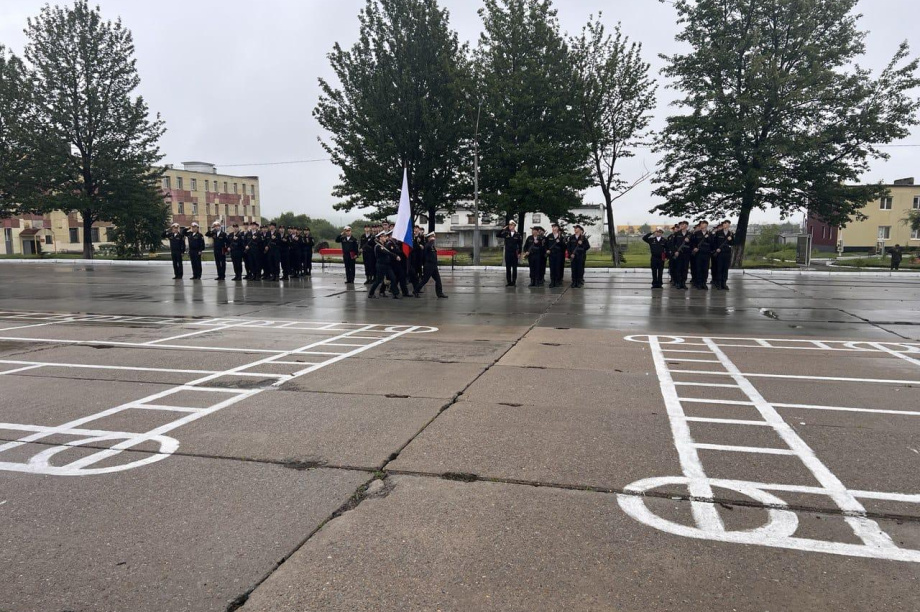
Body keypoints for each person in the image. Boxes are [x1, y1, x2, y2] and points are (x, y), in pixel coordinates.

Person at [414, 231, 448, 298]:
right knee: (425, 280)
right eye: (432, 237)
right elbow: (428, 248)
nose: (434, 238)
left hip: (433, 265)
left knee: (438, 280)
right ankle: (416, 290)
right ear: (429, 238)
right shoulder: (428, 245)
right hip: (429, 265)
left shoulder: (432, 246)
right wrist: (431, 241)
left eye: (434, 237)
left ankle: (439, 293)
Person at [368, 232, 400, 299]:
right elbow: (387, 252)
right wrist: (395, 256)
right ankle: (371, 293)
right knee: (378, 280)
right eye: (384, 237)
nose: (386, 238)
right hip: (381, 265)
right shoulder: (378, 246)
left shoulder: (384, 245)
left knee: (393, 278)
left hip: (387, 265)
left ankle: (395, 293)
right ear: (380, 237)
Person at [497, 221, 523, 286]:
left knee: (514, 268)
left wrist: (519, 253)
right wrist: (503, 229)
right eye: (509, 225)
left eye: (512, 225)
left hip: (514, 253)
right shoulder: (506, 233)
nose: (510, 226)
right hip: (508, 253)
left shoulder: (518, 234)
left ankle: (514, 282)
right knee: (508, 268)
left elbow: (520, 245)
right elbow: (498, 235)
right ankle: (509, 282)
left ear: (514, 226)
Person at [689, 220, 713, 290]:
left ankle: (704, 283)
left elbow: (712, 243)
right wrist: (694, 248)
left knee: (705, 269)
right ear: (701, 225)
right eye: (703, 224)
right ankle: (698, 283)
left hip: (706, 253)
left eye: (705, 224)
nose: (704, 226)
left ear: (707, 225)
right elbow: (692, 243)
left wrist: (708, 237)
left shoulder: (710, 234)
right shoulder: (696, 233)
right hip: (698, 254)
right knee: (698, 268)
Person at [711, 220, 734, 290]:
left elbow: (733, 243)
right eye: (724, 224)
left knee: (725, 269)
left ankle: (724, 283)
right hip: (719, 253)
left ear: (729, 225)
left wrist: (730, 240)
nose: (724, 225)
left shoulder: (731, 234)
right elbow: (714, 242)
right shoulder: (718, 233)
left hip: (727, 253)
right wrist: (716, 249)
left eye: (726, 224)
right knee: (719, 268)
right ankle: (719, 284)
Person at [669, 221, 692, 290]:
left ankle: (683, 283)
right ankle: (678, 283)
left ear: (687, 226)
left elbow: (693, 244)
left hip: (686, 254)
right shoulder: (676, 234)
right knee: (678, 268)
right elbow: (672, 244)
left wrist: (689, 241)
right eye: (681, 225)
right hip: (678, 254)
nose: (682, 226)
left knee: (685, 269)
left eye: (683, 225)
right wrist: (675, 251)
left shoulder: (690, 234)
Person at [546, 223, 566, 288]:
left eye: (555, 227)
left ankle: (557, 281)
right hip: (551, 254)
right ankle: (552, 281)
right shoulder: (549, 236)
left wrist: (559, 242)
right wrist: (547, 250)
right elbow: (545, 245)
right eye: (553, 227)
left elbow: (564, 247)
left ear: (558, 228)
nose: (554, 228)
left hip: (558, 255)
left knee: (557, 268)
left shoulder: (561, 237)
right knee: (552, 268)